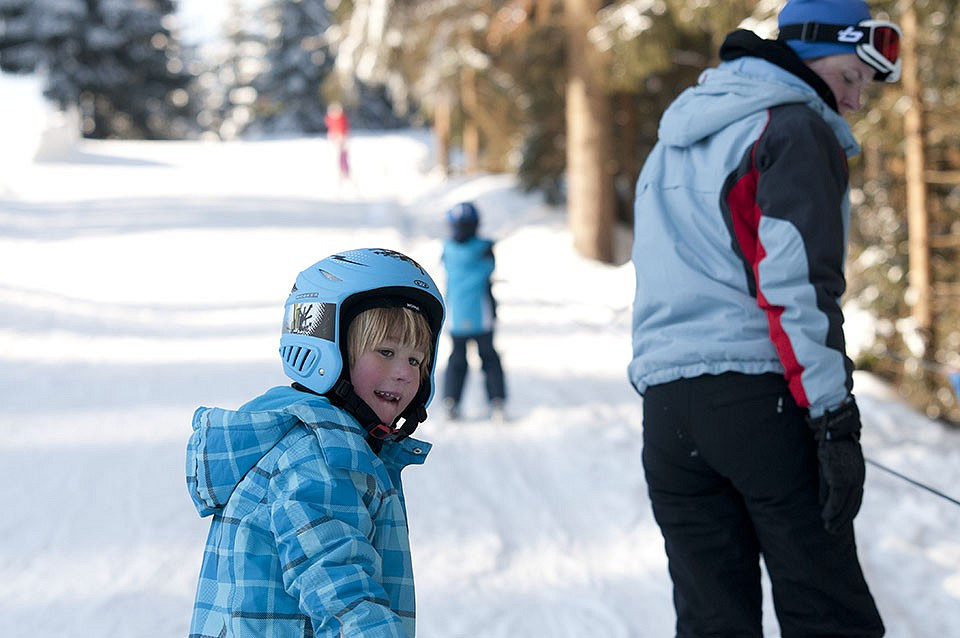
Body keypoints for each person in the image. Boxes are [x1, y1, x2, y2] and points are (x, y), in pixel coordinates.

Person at [628, 0, 900, 635]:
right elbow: (797, 287)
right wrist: (833, 419)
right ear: (813, 54)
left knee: (713, 623)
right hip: (760, 402)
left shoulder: (674, 140)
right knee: (828, 616)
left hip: (668, 417)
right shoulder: (793, 128)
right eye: (851, 77)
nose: (855, 101)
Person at [185, 247, 445, 638]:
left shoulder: (301, 444)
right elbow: (342, 595)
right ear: (324, 349)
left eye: (415, 360)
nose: (405, 373)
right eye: (386, 352)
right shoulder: (321, 458)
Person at [440, 202, 507, 421]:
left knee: (457, 360)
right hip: (482, 316)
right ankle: (497, 401)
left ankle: (451, 401)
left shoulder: (447, 250)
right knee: (489, 358)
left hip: (456, 315)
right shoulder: (484, 249)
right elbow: (489, 268)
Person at [325, 102, 350, 181]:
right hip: (335, 138)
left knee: (343, 155)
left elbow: (344, 128)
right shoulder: (331, 119)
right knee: (337, 156)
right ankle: (340, 171)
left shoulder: (341, 118)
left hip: (341, 138)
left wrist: (342, 135)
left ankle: (345, 171)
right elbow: (331, 127)